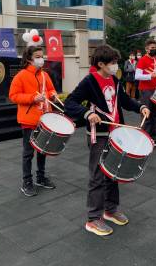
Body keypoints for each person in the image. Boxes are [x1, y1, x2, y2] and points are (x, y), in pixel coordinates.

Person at [64, 45, 150, 237]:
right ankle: (93, 219)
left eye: (116, 62)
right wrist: (86, 113)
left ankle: (110, 210)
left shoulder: (114, 79)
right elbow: (69, 102)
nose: (115, 65)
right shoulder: (89, 81)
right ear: (101, 64)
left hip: (116, 134)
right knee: (97, 176)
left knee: (113, 173)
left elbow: (125, 101)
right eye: (112, 62)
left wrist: (141, 106)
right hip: (99, 135)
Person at [9, 46, 58, 197]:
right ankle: (26, 181)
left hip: (45, 119)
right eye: (37, 56)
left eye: (41, 56)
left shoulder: (44, 74)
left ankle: (41, 177)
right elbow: (13, 95)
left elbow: (50, 89)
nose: (41, 59)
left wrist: (54, 95)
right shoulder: (21, 76)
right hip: (29, 121)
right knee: (28, 153)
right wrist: (32, 98)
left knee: (43, 150)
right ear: (29, 59)